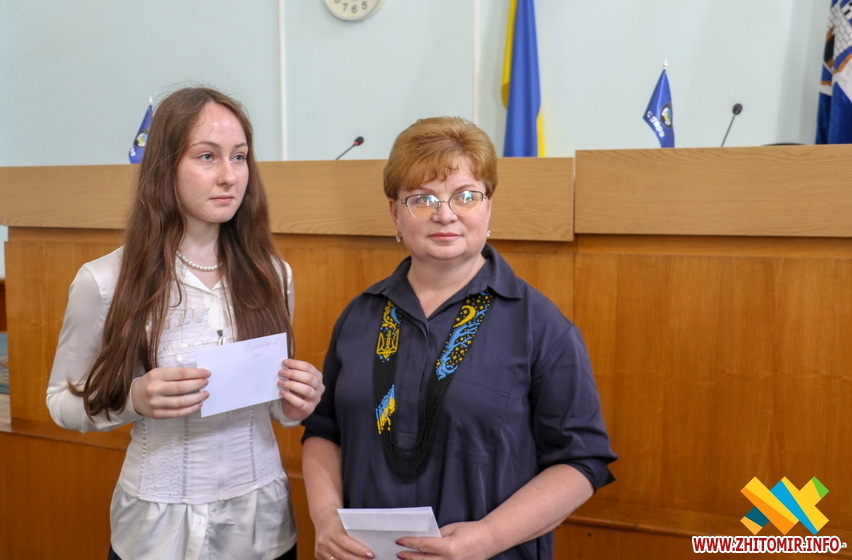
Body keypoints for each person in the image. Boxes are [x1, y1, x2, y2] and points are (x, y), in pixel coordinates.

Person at [301, 116, 616, 560]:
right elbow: (323, 431)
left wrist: (488, 538)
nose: (445, 214)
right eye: (422, 198)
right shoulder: (360, 315)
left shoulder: (540, 325)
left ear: (489, 207)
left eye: (466, 196)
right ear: (394, 212)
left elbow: (580, 462)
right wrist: (326, 518)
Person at [46, 87, 324, 560]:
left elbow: (276, 407)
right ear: (164, 167)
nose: (229, 176)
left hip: (262, 524)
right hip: (158, 530)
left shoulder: (274, 274)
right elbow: (60, 401)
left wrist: (298, 400)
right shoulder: (104, 280)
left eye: (239, 157)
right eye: (207, 156)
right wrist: (132, 399)